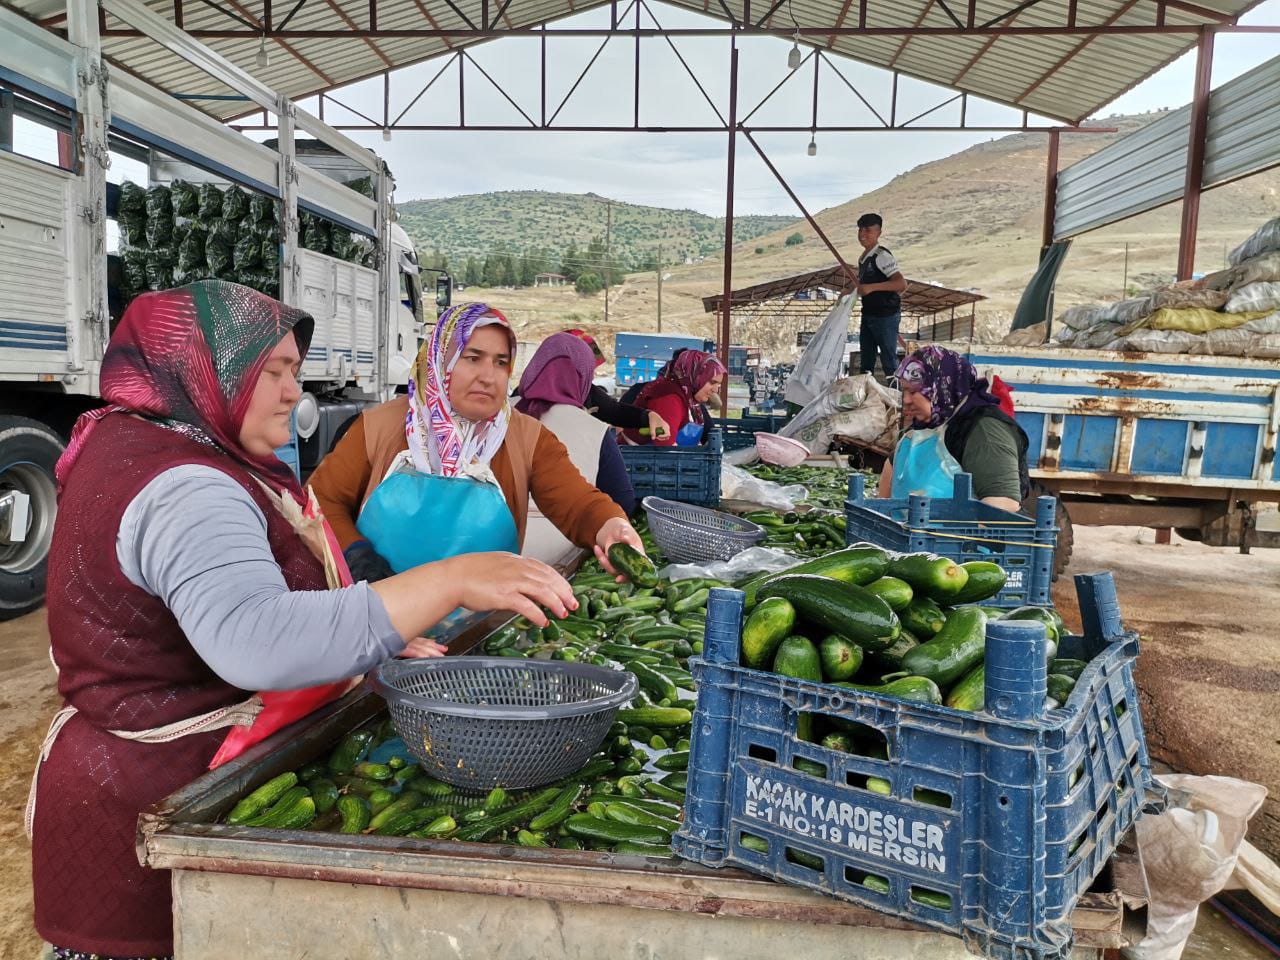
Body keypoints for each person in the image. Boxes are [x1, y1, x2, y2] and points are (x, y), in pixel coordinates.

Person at [30, 281, 577, 960]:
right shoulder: (187, 487)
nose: (294, 392)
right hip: (154, 801)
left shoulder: (136, 441)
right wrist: (452, 579)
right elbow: (256, 639)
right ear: (205, 372)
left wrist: (374, 632)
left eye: (294, 371)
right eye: (273, 373)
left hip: (133, 783)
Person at [309, 302, 646, 584]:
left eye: (501, 362)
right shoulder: (380, 426)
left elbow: (577, 503)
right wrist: (357, 558)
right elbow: (322, 501)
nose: (489, 375)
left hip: (477, 628)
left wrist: (609, 525)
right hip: (381, 616)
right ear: (441, 360)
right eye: (473, 358)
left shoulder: (527, 438)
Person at [515, 333, 636, 564]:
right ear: (583, 377)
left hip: (491, 552)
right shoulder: (594, 429)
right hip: (562, 555)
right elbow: (623, 500)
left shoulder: (499, 416)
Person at [877, 345, 1029, 511]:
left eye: (913, 391)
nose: (905, 400)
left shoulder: (983, 431)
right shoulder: (922, 427)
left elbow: (1003, 505)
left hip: (959, 536)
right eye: (904, 390)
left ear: (940, 387)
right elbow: (891, 472)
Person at [517, 329, 671, 442]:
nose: (590, 376)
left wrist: (649, 416)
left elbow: (614, 411)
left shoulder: (587, 393)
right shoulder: (517, 403)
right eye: (584, 370)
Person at [622, 349, 725, 447]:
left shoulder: (688, 398)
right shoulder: (669, 398)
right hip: (641, 461)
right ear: (695, 376)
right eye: (712, 382)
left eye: (718, 385)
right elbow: (665, 447)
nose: (715, 390)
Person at [855, 212, 908, 378]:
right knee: (866, 360)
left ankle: (898, 398)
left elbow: (901, 283)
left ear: (879, 232)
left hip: (886, 315)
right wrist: (847, 291)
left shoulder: (882, 256)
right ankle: (865, 396)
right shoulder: (864, 258)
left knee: (888, 359)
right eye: (860, 230)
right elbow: (860, 281)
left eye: (868, 231)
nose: (863, 235)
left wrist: (872, 288)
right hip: (869, 314)